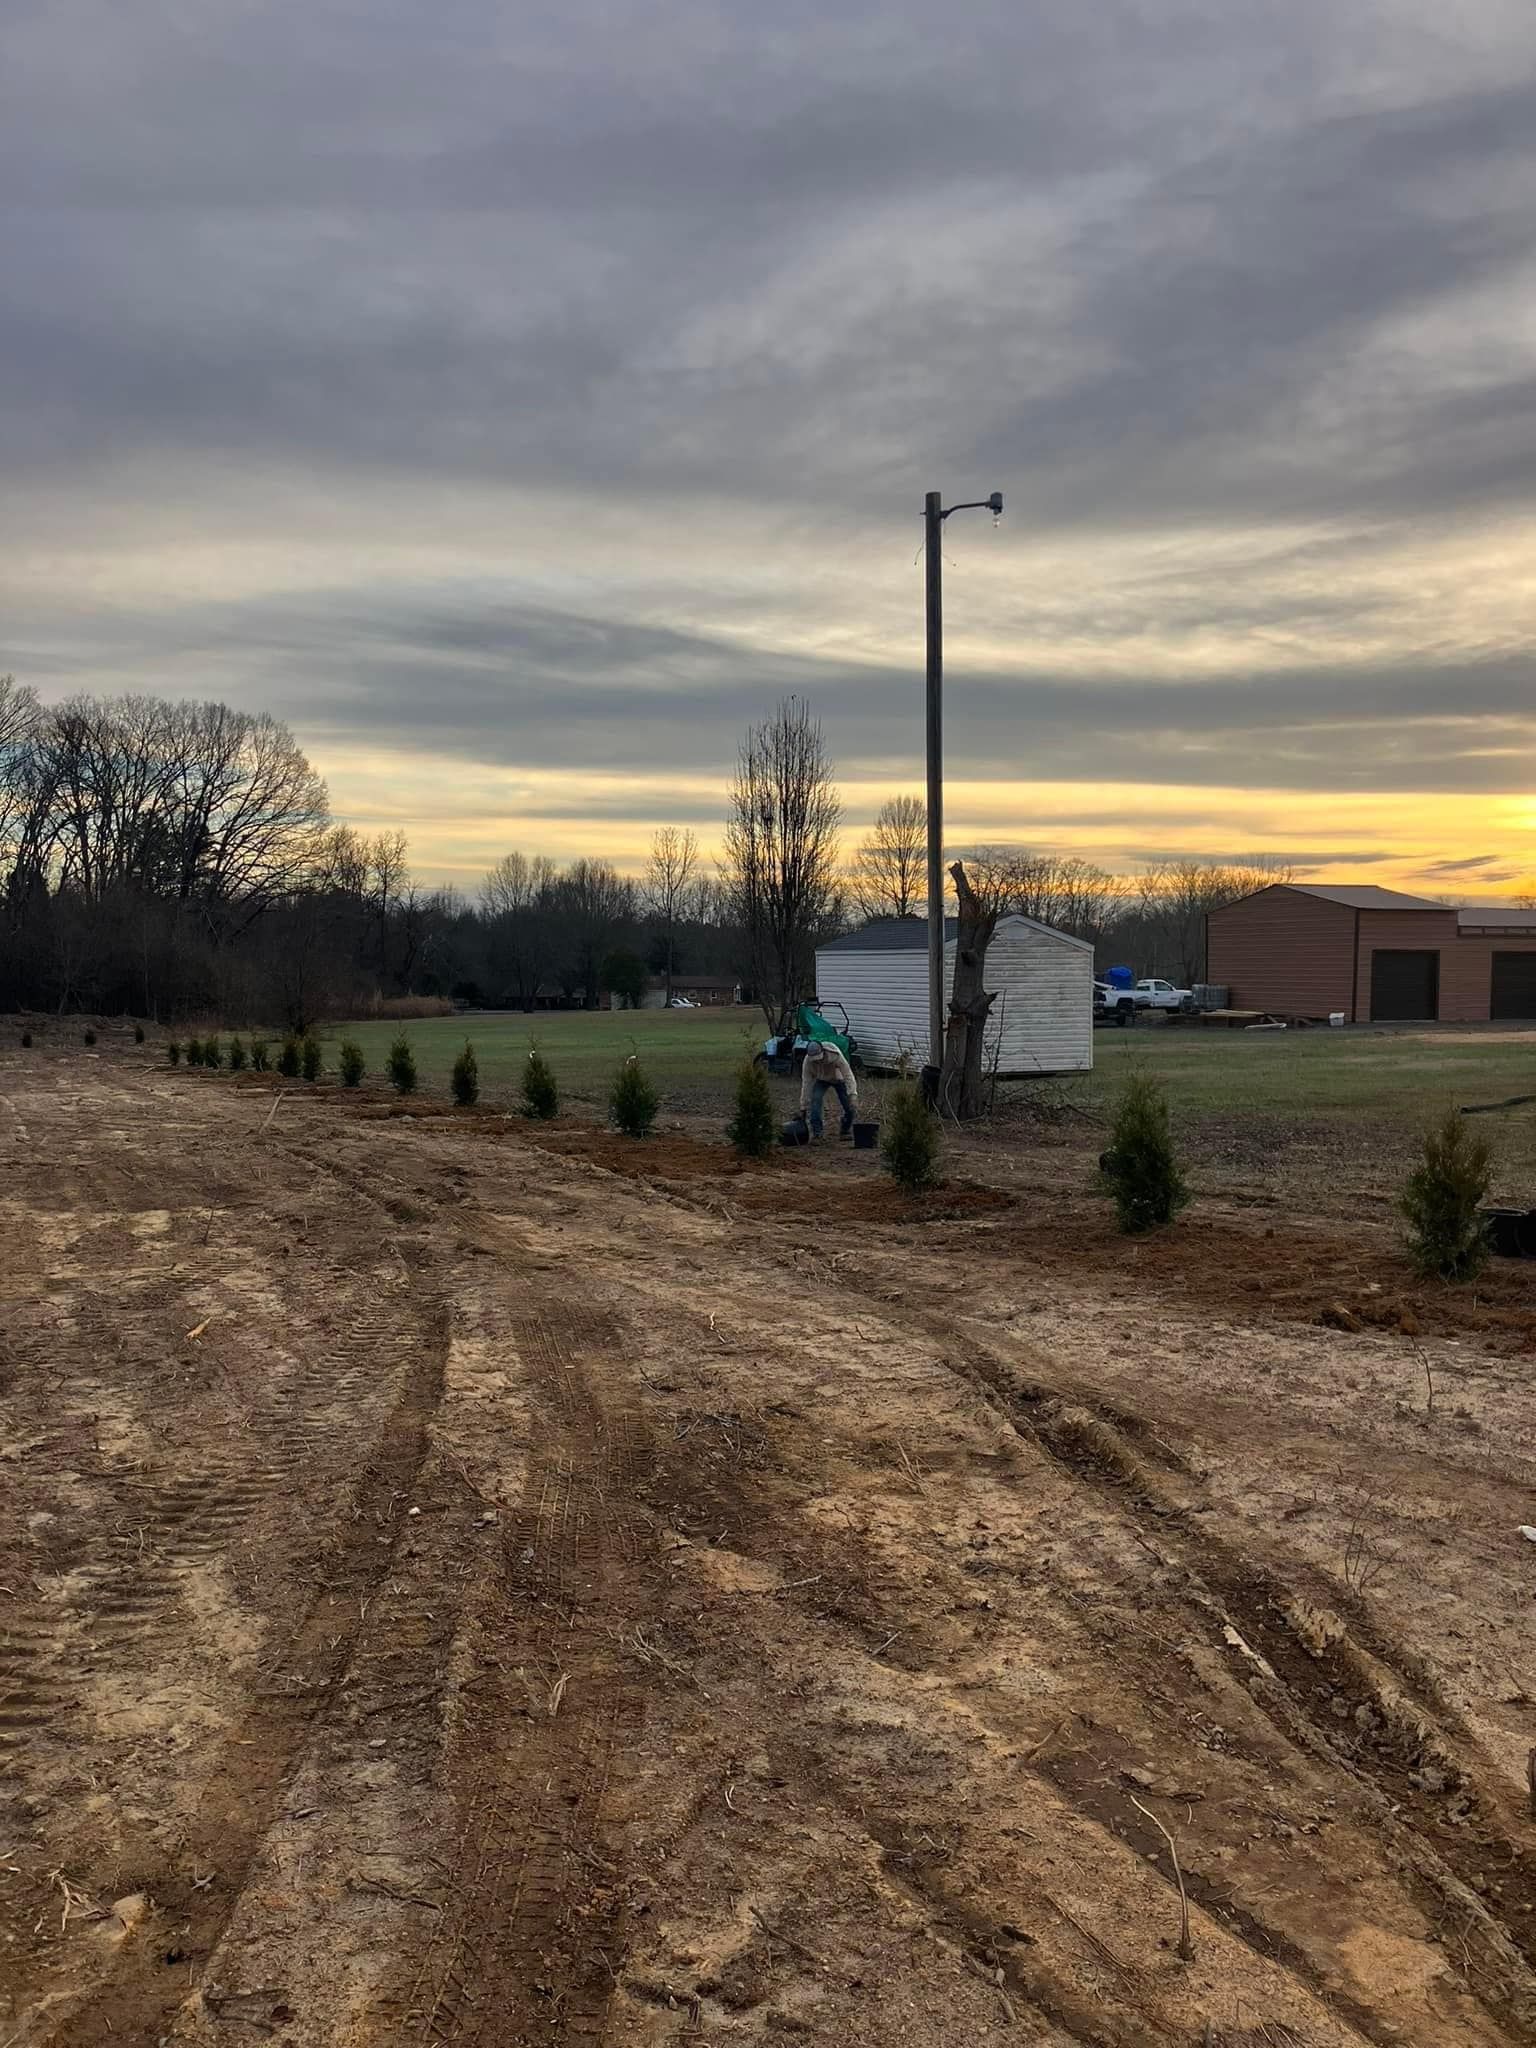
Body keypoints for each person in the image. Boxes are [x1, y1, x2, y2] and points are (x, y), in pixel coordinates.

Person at [800, 1039, 858, 1139]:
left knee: (848, 1105)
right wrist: (803, 1106)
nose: (817, 1061)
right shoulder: (807, 1062)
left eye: (819, 1058)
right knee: (815, 1100)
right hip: (821, 1079)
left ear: (823, 1051)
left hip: (838, 1079)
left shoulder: (835, 1055)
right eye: (815, 1060)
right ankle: (817, 1133)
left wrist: (853, 1094)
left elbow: (848, 1074)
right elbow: (806, 1083)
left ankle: (845, 1129)